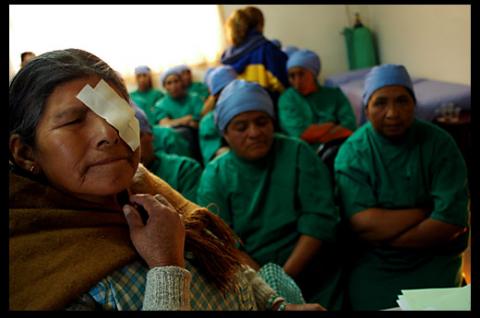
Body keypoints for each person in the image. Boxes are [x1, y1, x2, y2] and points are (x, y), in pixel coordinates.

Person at [9, 48, 325, 311]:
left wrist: (277, 306)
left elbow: (225, 266)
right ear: (25, 154)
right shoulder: (35, 264)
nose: (109, 133)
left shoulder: (145, 187)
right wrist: (165, 265)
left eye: (117, 113)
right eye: (75, 121)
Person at [196, 79, 344, 310]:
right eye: (241, 127)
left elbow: (318, 221)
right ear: (225, 134)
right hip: (248, 283)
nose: (254, 133)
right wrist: (267, 289)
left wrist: (283, 277)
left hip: (314, 272)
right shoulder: (215, 175)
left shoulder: (298, 153)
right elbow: (224, 244)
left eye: (262, 122)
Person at [334, 64, 470, 310]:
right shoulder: (353, 153)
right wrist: (425, 211)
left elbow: (450, 222)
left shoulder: (440, 145)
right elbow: (362, 222)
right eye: (380, 103)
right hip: (375, 264)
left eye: (402, 101)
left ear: (414, 104)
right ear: (366, 108)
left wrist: (381, 234)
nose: (392, 113)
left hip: (436, 258)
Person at [278, 49, 357, 149]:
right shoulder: (287, 99)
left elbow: (350, 128)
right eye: (292, 76)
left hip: (340, 150)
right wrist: (331, 125)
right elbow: (302, 134)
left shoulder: (334, 95)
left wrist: (318, 135)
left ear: (313, 73)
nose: (297, 82)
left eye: (301, 74)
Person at [221, 8, 289, 107]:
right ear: (259, 26)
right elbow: (285, 85)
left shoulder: (227, 56)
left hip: (238, 112)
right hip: (266, 110)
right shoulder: (267, 50)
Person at [134, 105, 202, 202]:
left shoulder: (183, 170)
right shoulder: (117, 185)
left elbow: (197, 215)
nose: (130, 149)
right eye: (121, 143)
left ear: (150, 135)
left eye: (135, 138)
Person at [154, 67, 205, 162]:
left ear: (182, 83)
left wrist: (175, 122)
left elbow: (200, 121)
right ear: (165, 87)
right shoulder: (161, 105)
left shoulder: (194, 98)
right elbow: (164, 124)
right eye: (169, 83)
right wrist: (186, 119)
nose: (174, 86)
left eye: (176, 81)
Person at [198, 65, 237, 165]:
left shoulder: (251, 109)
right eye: (225, 90)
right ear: (216, 96)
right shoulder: (209, 121)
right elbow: (215, 153)